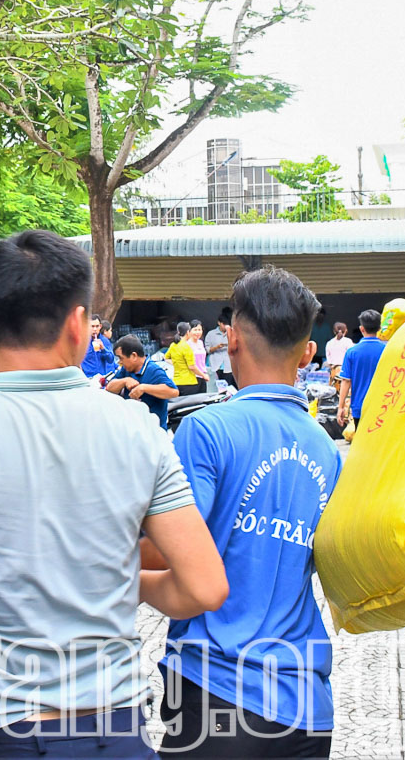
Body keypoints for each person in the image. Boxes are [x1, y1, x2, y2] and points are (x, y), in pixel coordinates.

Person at [0, 231, 228, 757]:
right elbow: (204, 588)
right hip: (112, 731)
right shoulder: (138, 430)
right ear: (77, 324)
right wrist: (124, 577)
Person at [158, 268, 343, 757]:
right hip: (307, 706)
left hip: (217, 692)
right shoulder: (326, 451)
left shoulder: (206, 431)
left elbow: (166, 555)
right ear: (308, 352)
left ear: (232, 340)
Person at [105, 334, 180, 430]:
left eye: (121, 358)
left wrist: (144, 388)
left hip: (153, 432)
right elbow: (109, 388)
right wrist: (125, 381)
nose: (120, 362)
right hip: (133, 430)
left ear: (134, 356)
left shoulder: (153, 370)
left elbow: (173, 392)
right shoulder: (126, 370)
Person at [336, 311, 386, 426]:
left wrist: (341, 407)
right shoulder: (387, 350)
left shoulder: (352, 352)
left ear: (361, 329)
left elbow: (346, 381)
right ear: (379, 328)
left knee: (362, 443)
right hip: (383, 407)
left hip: (360, 407)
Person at [169, 322, 203, 396]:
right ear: (188, 332)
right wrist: (203, 375)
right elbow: (191, 366)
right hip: (189, 381)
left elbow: (166, 358)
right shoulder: (187, 347)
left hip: (177, 381)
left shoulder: (173, 345)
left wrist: (176, 363)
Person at [204, 309, 233, 390]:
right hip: (215, 364)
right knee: (214, 387)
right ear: (219, 323)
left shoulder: (232, 333)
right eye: (224, 324)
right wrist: (217, 347)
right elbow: (207, 349)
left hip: (228, 365)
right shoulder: (211, 334)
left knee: (228, 386)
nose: (225, 326)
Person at [83, 314, 117, 379]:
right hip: (87, 378)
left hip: (101, 379)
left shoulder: (104, 340)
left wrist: (103, 349)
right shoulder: (83, 342)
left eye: (97, 326)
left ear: (100, 326)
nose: (95, 329)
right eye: (92, 326)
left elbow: (111, 359)